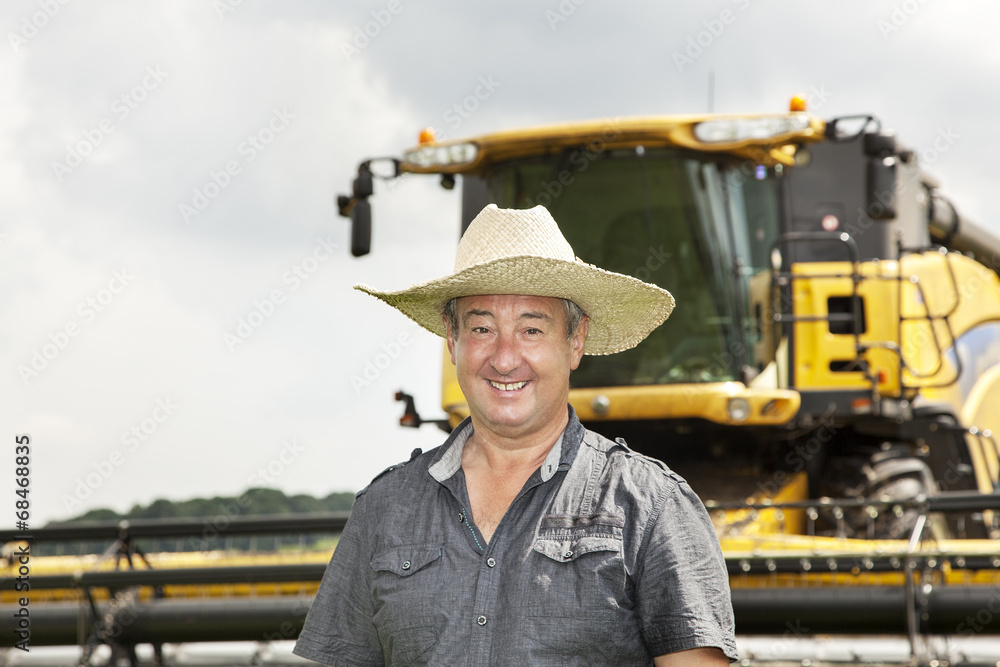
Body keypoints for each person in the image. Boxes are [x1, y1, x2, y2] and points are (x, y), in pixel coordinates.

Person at [294, 204, 737, 665]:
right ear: (452, 340)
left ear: (576, 340)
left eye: (531, 329)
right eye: (482, 328)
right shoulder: (384, 509)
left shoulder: (651, 505)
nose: (505, 359)